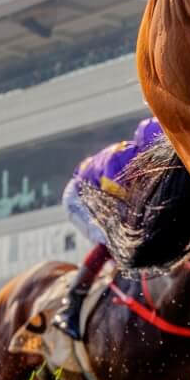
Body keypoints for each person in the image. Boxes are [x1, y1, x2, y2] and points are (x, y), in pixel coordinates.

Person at [55, 117, 163, 340]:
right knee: (111, 241)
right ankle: (71, 307)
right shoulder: (119, 164)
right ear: (144, 152)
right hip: (81, 197)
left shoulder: (150, 169)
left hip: (107, 198)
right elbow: (118, 215)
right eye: (156, 157)